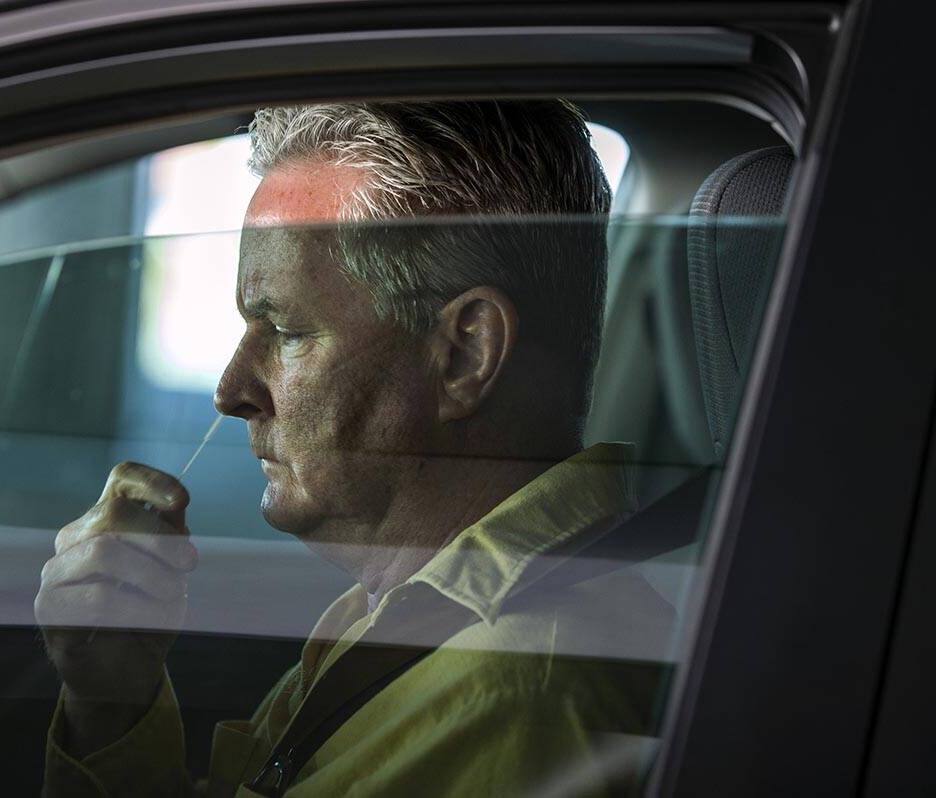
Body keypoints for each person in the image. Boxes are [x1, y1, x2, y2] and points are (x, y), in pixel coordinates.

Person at [35, 100, 675, 797]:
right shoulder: (423, 613)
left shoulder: (512, 689)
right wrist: (113, 701)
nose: (231, 391)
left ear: (464, 354)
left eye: (286, 330)